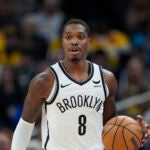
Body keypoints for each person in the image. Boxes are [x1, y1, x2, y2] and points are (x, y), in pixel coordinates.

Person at [11, 19, 150, 150]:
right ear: (62, 42)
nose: (74, 42)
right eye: (68, 37)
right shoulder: (45, 81)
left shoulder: (106, 79)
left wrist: (134, 131)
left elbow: (111, 126)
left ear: (89, 41)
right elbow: (25, 126)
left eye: (80, 37)